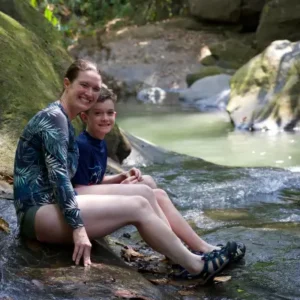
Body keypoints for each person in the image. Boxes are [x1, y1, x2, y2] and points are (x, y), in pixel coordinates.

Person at [13, 59, 238, 285]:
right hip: (37, 214)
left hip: (53, 206)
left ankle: (181, 255)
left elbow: (69, 180)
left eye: (95, 88)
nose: (89, 93)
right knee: (137, 205)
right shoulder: (54, 119)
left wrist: (116, 180)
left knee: (145, 193)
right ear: (67, 84)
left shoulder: (65, 121)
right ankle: (196, 266)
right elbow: (60, 179)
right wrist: (79, 229)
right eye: (84, 85)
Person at [72, 87, 246, 261]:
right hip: (83, 204)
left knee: (158, 192)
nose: (105, 118)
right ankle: (178, 251)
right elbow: (80, 187)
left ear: (115, 116)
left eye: (109, 113)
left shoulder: (99, 142)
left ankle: (200, 246)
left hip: (91, 195)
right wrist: (120, 189)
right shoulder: (83, 146)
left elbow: (93, 178)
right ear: (85, 117)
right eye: (98, 113)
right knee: (145, 191)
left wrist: (119, 178)